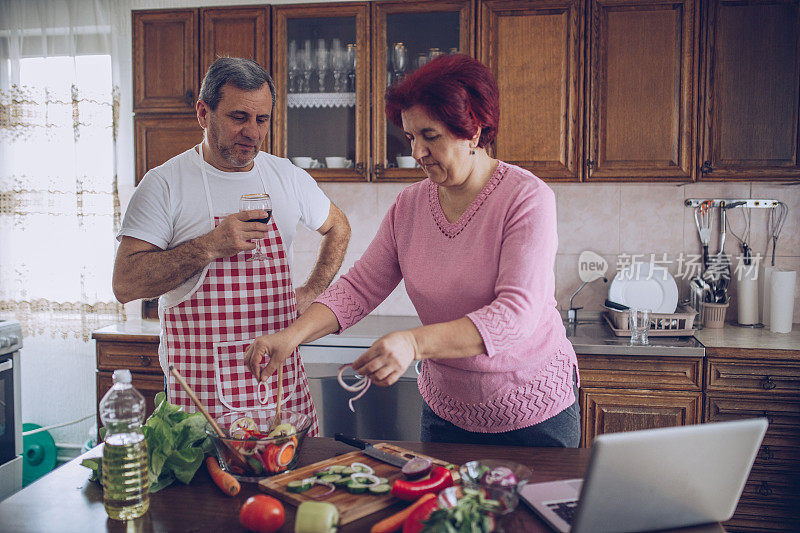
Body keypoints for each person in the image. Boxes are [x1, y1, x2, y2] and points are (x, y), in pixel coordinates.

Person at [244, 54, 579, 447]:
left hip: (530, 414)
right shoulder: (411, 205)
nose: (417, 151)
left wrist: (413, 342)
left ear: (473, 130)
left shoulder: (526, 198)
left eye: (430, 135)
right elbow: (360, 287)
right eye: (410, 137)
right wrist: (292, 336)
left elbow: (514, 316)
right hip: (445, 414)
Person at [113, 57, 351, 434]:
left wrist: (311, 291)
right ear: (203, 113)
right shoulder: (164, 184)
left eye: (262, 120)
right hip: (199, 407)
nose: (253, 133)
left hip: (279, 396)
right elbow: (125, 284)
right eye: (239, 117)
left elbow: (338, 227)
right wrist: (208, 246)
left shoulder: (286, 177)